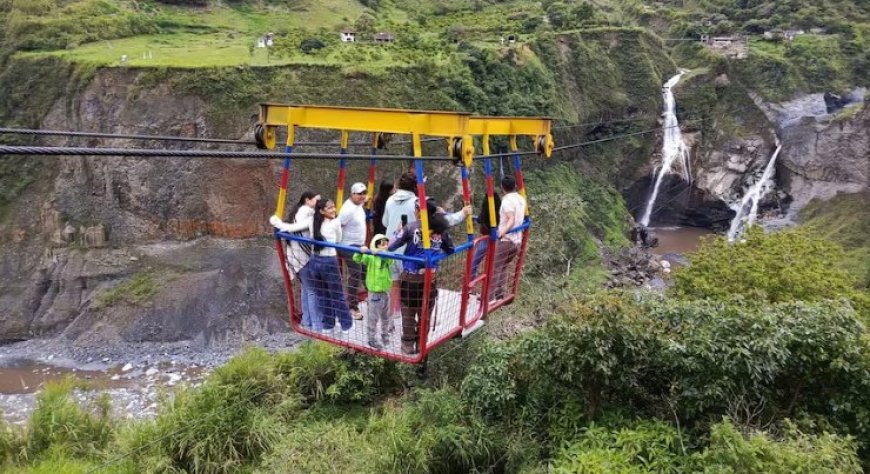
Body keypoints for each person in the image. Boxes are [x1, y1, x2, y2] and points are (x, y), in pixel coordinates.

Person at [388, 199, 454, 355]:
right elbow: (451, 249)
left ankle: (407, 344)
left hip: (410, 278)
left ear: (419, 211)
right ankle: (421, 342)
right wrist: (435, 255)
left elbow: (391, 246)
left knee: (408, 312)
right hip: (430, 278)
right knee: (425, 312)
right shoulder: (440, 229)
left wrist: (398, 231)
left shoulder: (410, 227)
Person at [269, 191, 321, 331]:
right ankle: (316, 325)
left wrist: (277, 222)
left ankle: (306, 321)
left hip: (295, 258)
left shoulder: (296, 212)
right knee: (312, 290)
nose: (318, 203)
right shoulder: (308, 213)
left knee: (306, 288)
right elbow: (295, 228)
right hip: (304, 257)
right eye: (316, 200)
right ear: (307, 200)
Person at [310, 199, 353, 334]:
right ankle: (346, 325)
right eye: (329, 208)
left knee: (322, 295)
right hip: (329, 261)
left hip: (314, 260)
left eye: (334, 206)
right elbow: (338, 239)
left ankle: (328, 326)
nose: (334, 209)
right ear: (322, 211)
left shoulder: (313, 222)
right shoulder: (335, 222)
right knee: (337, 295)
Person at [354, 234, 394, 350]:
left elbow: (390, 260)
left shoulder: (387, 257)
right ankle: (371, 339)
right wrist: (360, 251)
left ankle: (384, 334)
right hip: (375, 294)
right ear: (375, 245)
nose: (384, 246)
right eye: (381, 244)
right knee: (373, 318)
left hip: (386, 291)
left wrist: (381, 252)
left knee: (386, 316)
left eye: (386, 244)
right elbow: (357, 259)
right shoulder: (370, 257)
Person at [490, 176, 526, 301]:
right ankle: (499, 294)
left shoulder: (507, 201)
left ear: (502, 187)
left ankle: (489, 298)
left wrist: (501, 233)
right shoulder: (521, 199)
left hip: (507, 240)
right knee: (503, 266)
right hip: (517, 240)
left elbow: (511, 219)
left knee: (495, 267)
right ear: (515, 186)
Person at [338, 182, 368, 320]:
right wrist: (337, 244)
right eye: (359, 194)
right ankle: (352, 306)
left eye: (364, 193)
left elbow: (365, 199)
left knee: (366, 270)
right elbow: (338, 225)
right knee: (356, 273)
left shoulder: (359, 204)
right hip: (349, 245)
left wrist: (366, 199)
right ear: (352, 194)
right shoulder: (347, 209)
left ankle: (372, 297)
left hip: (360, 245)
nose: (362, 196)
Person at [471, 192, 501, 280]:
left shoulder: (486, 209)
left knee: (474, 262)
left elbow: (480, 219)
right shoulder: (499, 209)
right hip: (496, 236)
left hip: (486, 238)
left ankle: (471, 281)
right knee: (492, 263)